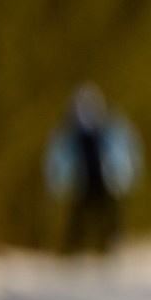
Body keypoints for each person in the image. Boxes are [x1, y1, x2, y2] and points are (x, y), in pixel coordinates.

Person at [43, 84, 143, 255]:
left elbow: (127, 152)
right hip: (82, 183)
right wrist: (59, 181)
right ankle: (74, 248)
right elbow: (58, 159)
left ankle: (110, 245)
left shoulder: (111, 130)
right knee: (79, 217)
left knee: (110, 215)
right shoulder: (70, 134)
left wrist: (126, 176)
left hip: (106, 181)